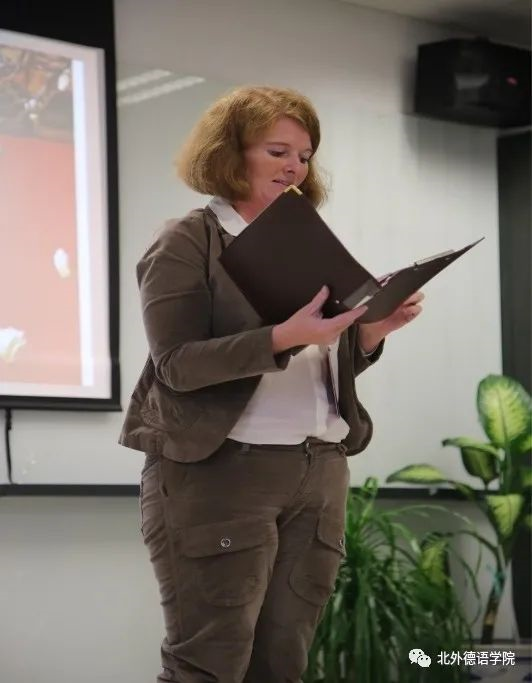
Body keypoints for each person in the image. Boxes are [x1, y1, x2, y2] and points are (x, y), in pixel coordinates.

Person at [119, 85, 424, 683]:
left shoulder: (306, 237)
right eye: (277, 151)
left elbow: (316, 363)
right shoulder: (188, 238)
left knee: (284, 664)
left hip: (319, 469)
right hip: (224, 471)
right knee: (209, 664)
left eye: (304, 156)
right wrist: (284, 337)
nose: (294, 167)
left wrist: (368, 334)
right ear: (229, 153)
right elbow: (176, 364)